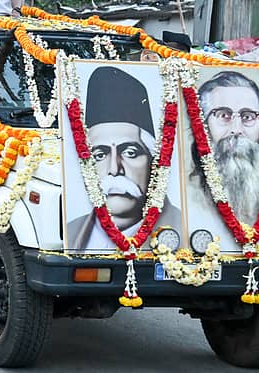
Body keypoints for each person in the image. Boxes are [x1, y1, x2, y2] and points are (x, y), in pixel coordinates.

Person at [67, 66, 182, 251]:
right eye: (100, 155)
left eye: (130, 152)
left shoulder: (185, 228)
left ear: (153, 161)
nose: (114, 169)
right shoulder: (70, 231)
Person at [191, 71, 259, 248]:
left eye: (247, 117)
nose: (236, 129)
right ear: (203, 127)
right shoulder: (184, 191)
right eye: (223, 115)